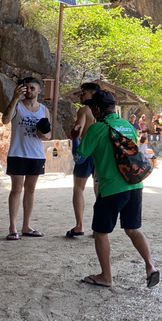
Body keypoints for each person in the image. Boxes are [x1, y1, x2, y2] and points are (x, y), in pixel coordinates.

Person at [70, 90, 159, 288]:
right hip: (135, 184)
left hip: (111, 187)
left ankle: (106, 276)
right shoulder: (127, 125)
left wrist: (75, 138)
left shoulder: (97, 128)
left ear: (97, 108)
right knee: (133, 229)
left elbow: (80, 158)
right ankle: (150, 266)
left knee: (101, 232)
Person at [2, 77, 51, 240]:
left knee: (30, 190)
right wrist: (15, 98)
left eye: (32, 88)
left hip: (36, 155)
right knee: (16, 189)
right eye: (26, 88)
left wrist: (42, 133)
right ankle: (13, 227)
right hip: (18, 153)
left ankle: (26, 226)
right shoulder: (18, 105)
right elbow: (5, 120)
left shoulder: (44, 109)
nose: (29, 91)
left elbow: (49, 134)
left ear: (39, 91)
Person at [67, 82, 101, 238]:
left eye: (84, 92)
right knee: (99, 191)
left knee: (78, 188)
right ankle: (99, 227)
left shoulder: (85, 110)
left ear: (92, 94)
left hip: (86, 152)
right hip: (100, 154)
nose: (81, 95)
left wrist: (74, 139)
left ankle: (79, 225)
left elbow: (78, 129)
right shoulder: (103, 111)